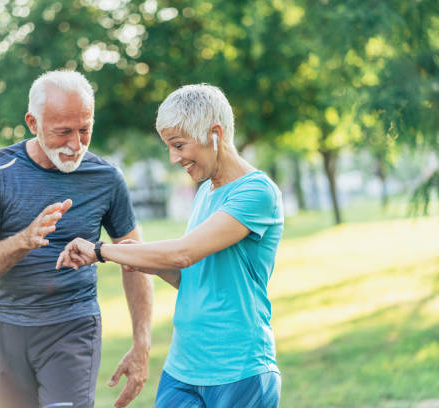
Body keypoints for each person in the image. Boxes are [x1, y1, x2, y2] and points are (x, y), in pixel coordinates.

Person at [57, 84, 283, 407]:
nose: (174, 158)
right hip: (183, 368)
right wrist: (133, 257)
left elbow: (183, 253)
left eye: (179, 145)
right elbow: (186, 275)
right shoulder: (206, 192)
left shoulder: (257, 192)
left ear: (215, 133)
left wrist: (102, 251)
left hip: (239, 369)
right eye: (169, 147)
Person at [0, 70, 153, 408]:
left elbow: (136, 260)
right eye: (63, 132)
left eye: (85, 130)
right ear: (33, 123)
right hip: (4, 330)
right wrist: (24, 239)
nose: (76, 144)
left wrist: (142, 345)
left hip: (72, 328)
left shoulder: (106, 178)